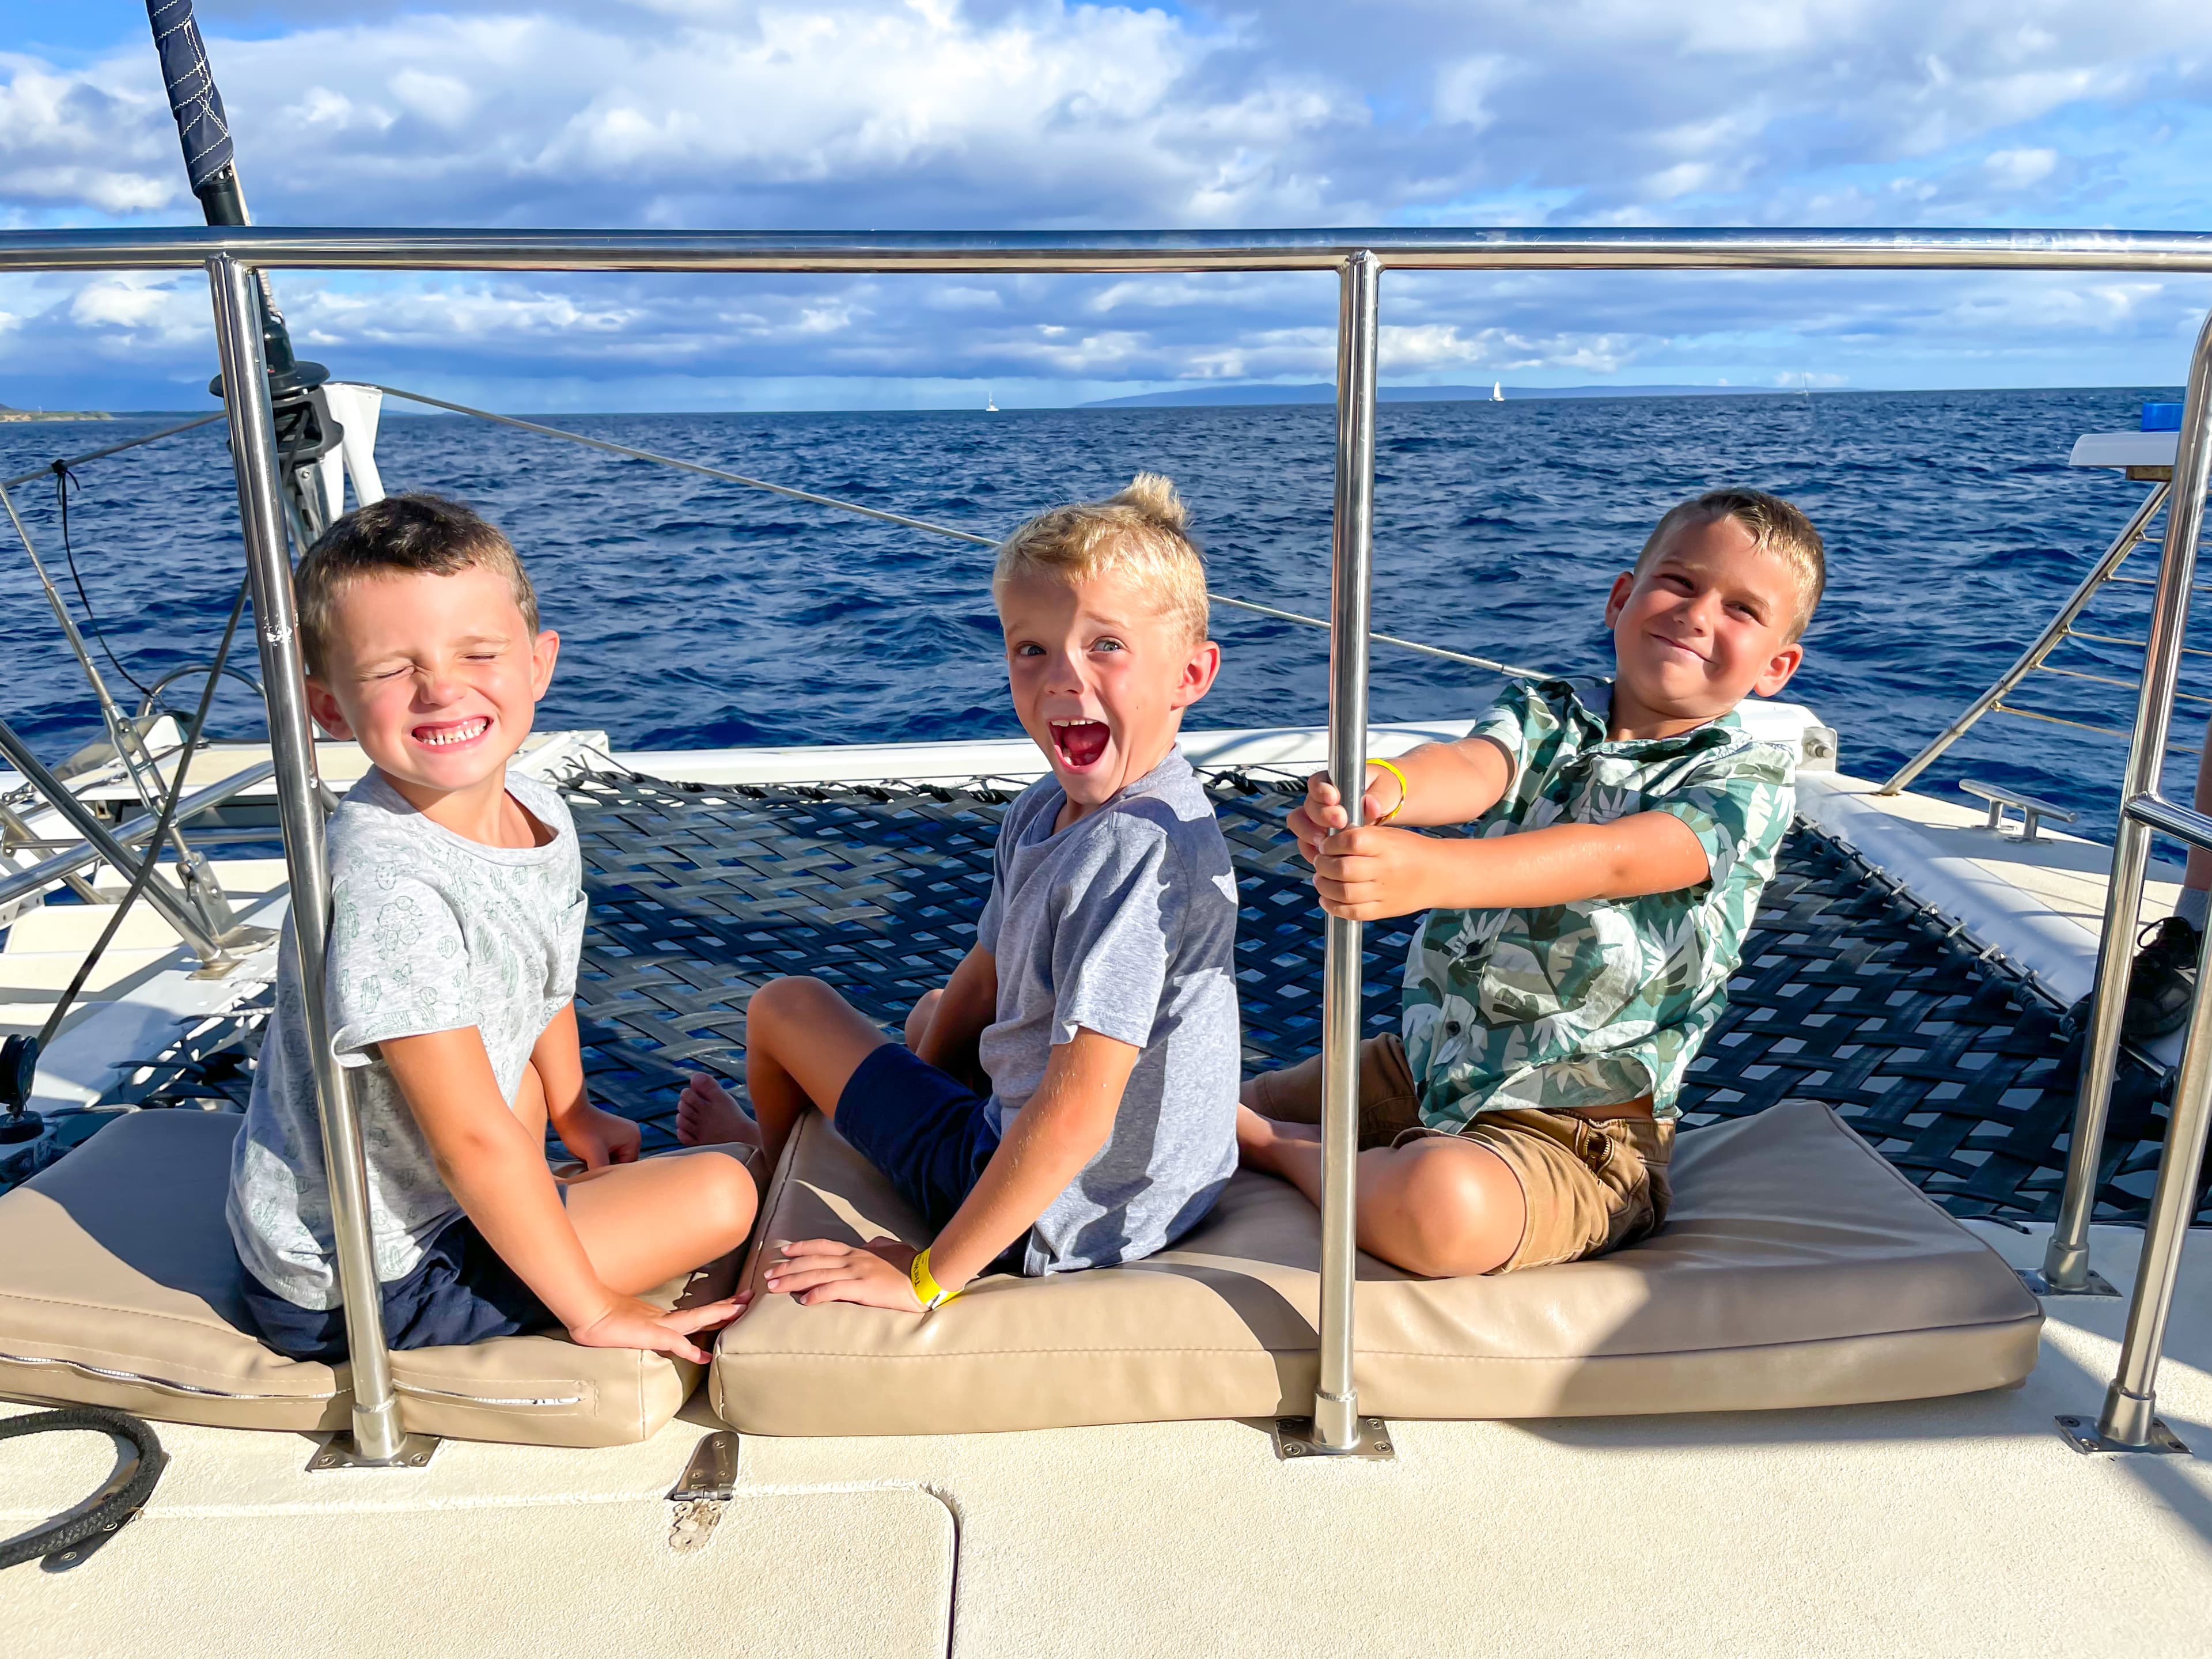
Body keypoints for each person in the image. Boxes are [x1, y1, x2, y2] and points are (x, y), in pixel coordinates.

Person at [676, 473, 1240, 1310]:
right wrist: (906, 1106)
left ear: (1191, 674)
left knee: (785, 1007)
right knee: (936, 1012)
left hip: (1052, 1221)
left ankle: (767, 1161)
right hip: (1156, 1191)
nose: (1063, 678)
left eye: (1105, 646)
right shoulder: (1050, 810)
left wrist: (928, 1275)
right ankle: (881, 1141)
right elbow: (982, 984)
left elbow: (1079, 1114)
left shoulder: (1130, 848)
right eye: (1032, 648)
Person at [226, 495, 756, 1363]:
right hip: (368, 1280)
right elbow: (470, 1139)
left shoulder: (537, 809)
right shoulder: (389, 884)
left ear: (540, 664)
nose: (441, 689)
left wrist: (576, 1111)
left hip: (444, 1192)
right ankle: (571, 1240)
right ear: (327, 708)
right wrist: (593, 1311)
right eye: (393, 670)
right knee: (724, 1194)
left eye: (478, 653)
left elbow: (543, 981)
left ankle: (555, 1194)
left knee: (690, 1172)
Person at [1237, 488, 1819, 1278]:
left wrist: (1431, 871)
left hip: (1578, 1128)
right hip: (1425, 1063)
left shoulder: (1746, 781)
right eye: (1679, 583)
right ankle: (1286, 1128)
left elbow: (1615, 857)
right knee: (1226, 1089)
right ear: (1622, 598)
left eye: (1741, 609)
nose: (1697, 613)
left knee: (1442, 1210)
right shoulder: (1546, 714)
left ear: (1777, 667)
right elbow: (1476, 768)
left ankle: (1279, 1153)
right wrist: (1379, 792)